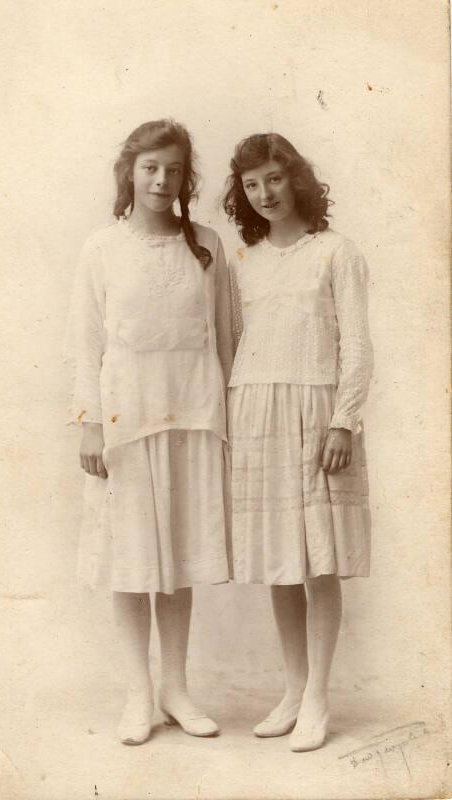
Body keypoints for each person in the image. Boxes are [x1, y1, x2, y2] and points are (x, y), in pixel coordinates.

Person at [65, 119, 233, 745]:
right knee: (132, 562)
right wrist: (88, 426)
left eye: (173, 170)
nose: (162, 180)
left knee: (178, 562)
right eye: (149, 168)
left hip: (192, 416)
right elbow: (84, 345)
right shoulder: (101, 249)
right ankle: (140, 695)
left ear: (186, 177)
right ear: (129, 173)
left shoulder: (208, 246)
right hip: (125, 422)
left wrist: (228, 421)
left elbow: (225, 338)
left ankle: (177, 689)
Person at [223, 133, 373, 751]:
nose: (265, 194)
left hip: (316, 411)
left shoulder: (336, 252)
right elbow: (236, 341)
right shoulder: (244, 261)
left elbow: (358, 345)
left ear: (298, 178)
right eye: (252, 184)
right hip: (255, 408)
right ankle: (292, 687)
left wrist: (344, 421)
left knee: (318, 561)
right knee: (280, 561)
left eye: (275, 179)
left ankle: (318, 698)